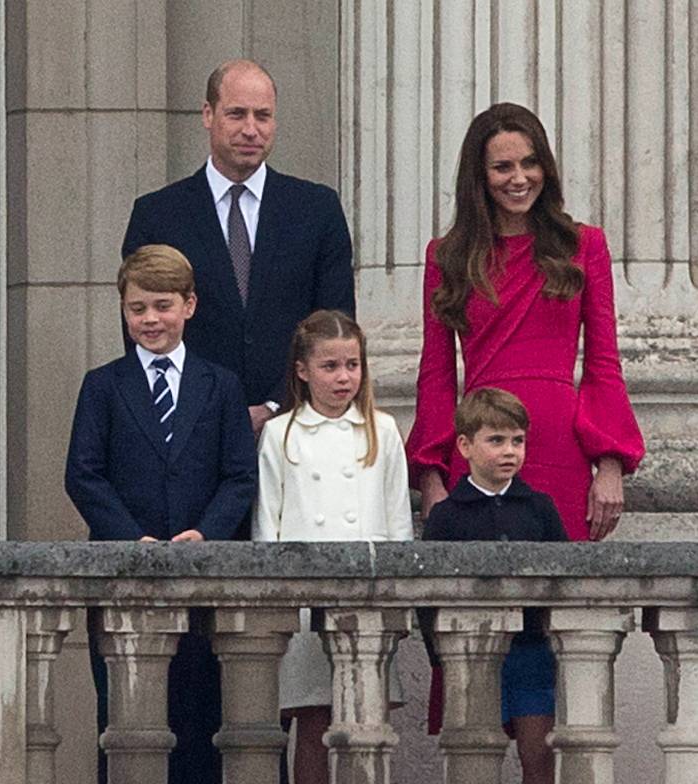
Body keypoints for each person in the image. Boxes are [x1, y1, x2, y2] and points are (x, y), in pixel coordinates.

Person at [407, 103, 645, 541]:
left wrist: (610, 463)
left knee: (558, 599)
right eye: (503, 167)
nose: (519, 178)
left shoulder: (584, 245)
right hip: (479, 447)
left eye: (530, 163)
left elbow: (604, 362)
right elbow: (436, 373)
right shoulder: (446, 256)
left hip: (560, 446)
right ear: (479, 177)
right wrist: (430, 475)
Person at [65, 244, 256, 784]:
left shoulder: (220, 385)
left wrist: (210, 532)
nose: (150, 320)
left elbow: (240, 474)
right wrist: (130, 538)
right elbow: (83, 473)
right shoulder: (103, 385)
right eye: (137, 309)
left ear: (189, 306)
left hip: (201, 574)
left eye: (163, 306)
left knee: (199, 716)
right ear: (123, 310)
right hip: (120, 573)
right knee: (124, 716)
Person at [121, 58, 354, 435]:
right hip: (191, 430)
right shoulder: (157, 215)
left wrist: (276, 405)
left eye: (263, 116)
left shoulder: (316, 209)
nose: (251, 130)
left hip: (298, 425)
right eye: (236, 114)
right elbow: (145, 333)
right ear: (208, 114)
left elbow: (335, 323)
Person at [251, 309, 412, 784]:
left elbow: (398, 519)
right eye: (331, 366)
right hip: (302, 602)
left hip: (367, 594)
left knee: (367, 722)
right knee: (313, 719)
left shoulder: (380, 430)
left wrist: (397, 600)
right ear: (302, 370)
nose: (344, 377)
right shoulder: (281, 433)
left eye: (353, 365)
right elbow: (268, 524)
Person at [422, 387, 566, 784]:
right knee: (475, 755)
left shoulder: (540, 509)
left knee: (539, 755)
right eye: (496, 440)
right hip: (468, 652)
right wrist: (439, 655)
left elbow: (564, 580)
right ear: (465, 446)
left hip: (533, 652)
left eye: (518, 441)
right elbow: (428, 593)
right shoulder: (447, 517)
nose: (510, 451)